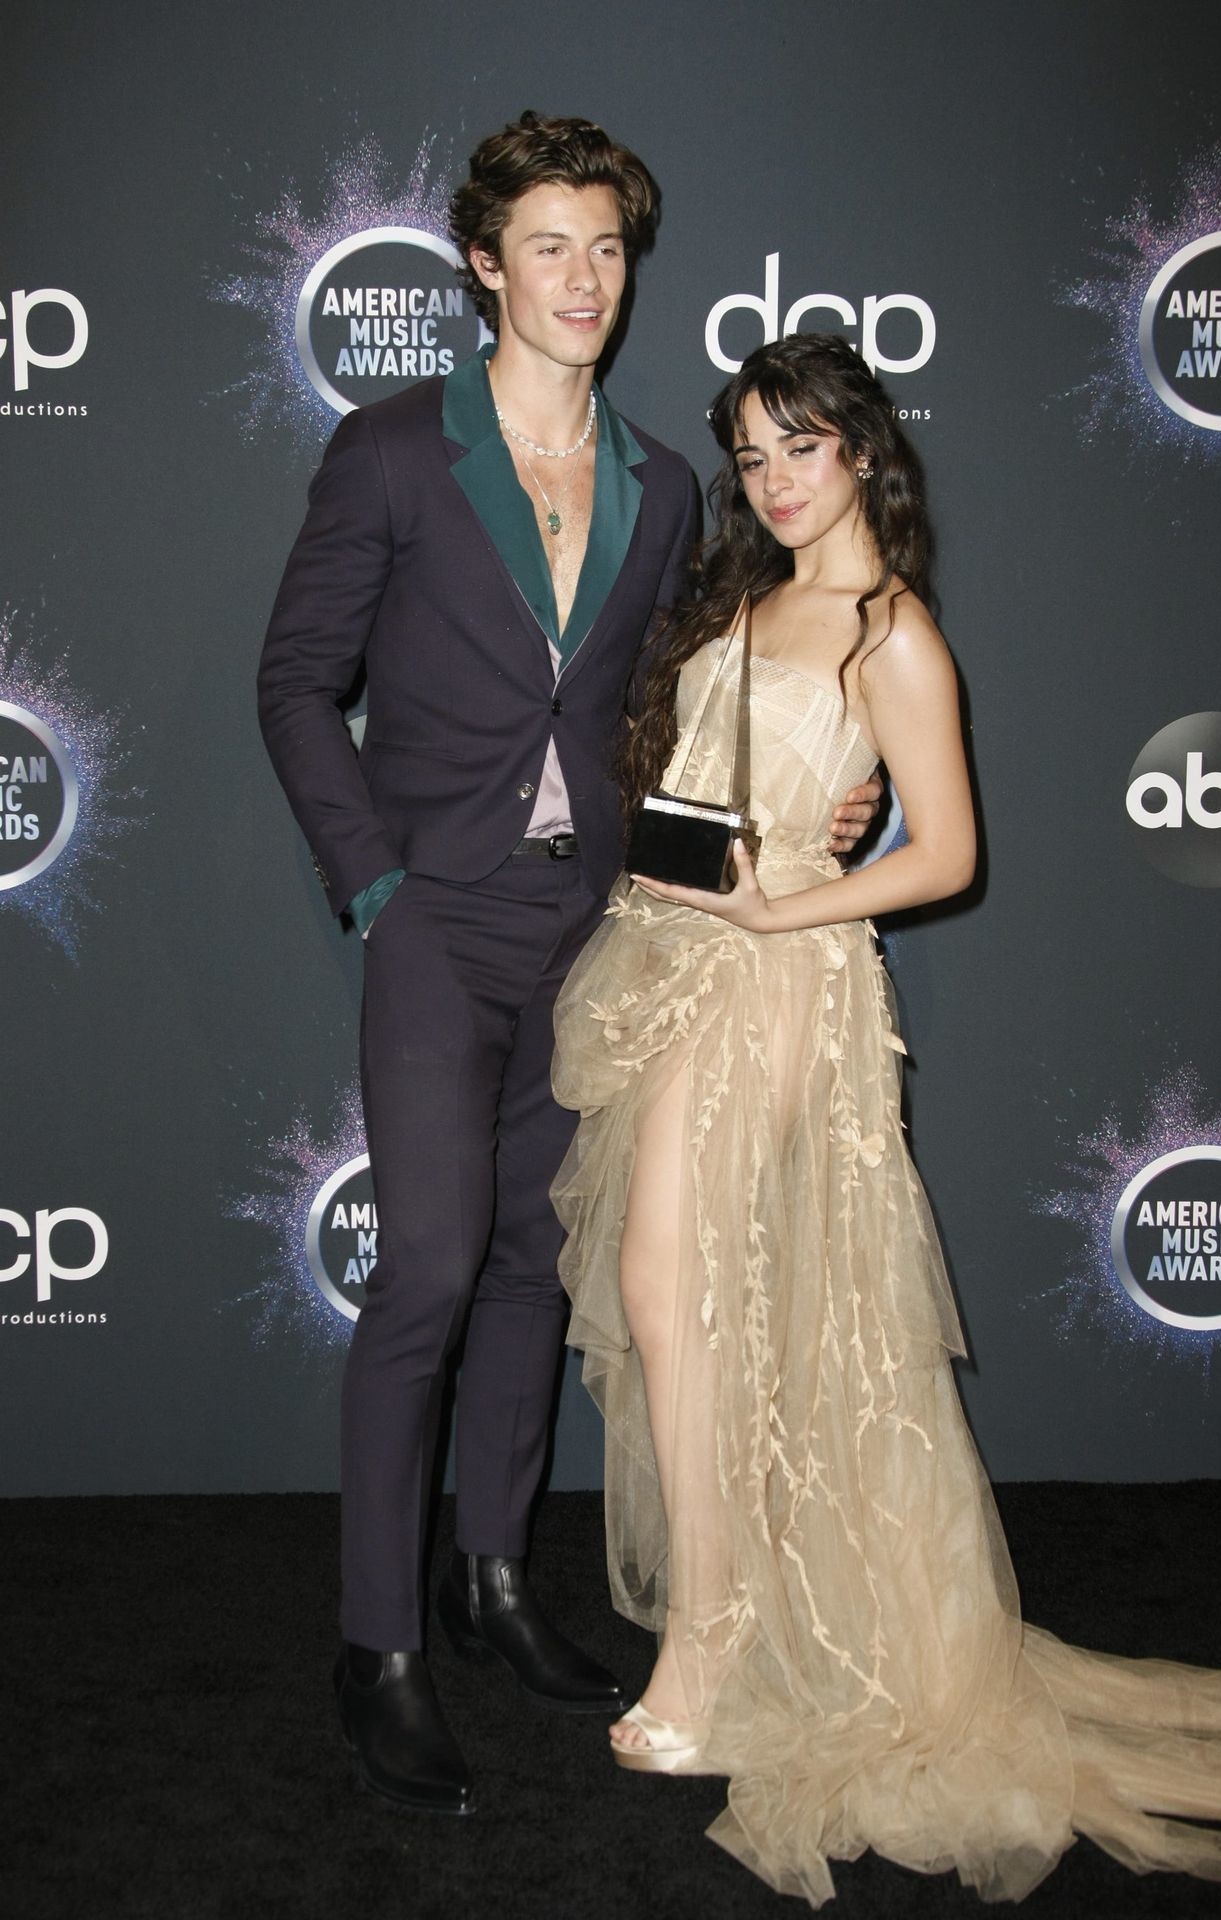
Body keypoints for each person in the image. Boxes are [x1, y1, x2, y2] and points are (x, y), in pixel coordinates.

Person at [551, 333, 1221, 1905]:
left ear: (864, 449)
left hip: (784, 983)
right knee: (675, 1301)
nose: (773, 479)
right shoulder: (749, 600)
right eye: (752, 455)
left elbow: (947, 854)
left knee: (700, 1296)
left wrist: (789, 902)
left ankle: (712, 1645)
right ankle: (729, 1613)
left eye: (799, 447)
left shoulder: (896, 634)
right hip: (676, 961)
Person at [257, 118, 882, 1818]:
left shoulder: (664, 485)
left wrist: (829, 796)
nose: (584, 278)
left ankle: (493, 1578)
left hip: (599, 925)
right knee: (432, 1266)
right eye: (548, 245)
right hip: (435, 918)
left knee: (538, 1262)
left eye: (606, 247)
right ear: (485, 264)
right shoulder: (395, 451)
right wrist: (376, 886)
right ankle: (379, 1644)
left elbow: (664, 711)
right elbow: (296, 682)